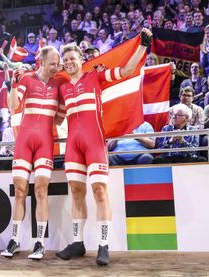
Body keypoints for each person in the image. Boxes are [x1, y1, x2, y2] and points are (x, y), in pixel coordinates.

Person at [55, 29, 153, 266]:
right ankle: (78, 243)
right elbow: (55, 118)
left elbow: (127, 71)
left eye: (72, 59)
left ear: (81, 60)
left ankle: (103, 244)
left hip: (95, 143)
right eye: (65, 60)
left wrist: (143, 45)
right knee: (76, 192)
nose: (69, 63)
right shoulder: (63, 89)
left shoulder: (94, 77)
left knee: (100, 191)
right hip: (73, 146)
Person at [0, 46, 62, 260]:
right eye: (53, 63)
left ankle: (40, 243)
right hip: (24, 142)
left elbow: (61, 117)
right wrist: (14, 85)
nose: (57, 67)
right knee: (19, 191)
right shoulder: (26, 78)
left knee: (41, 191)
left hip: (45, 142)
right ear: (42, 62)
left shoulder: (60, 82)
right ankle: (15, 240)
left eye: (58, 63)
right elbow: (13, 106)